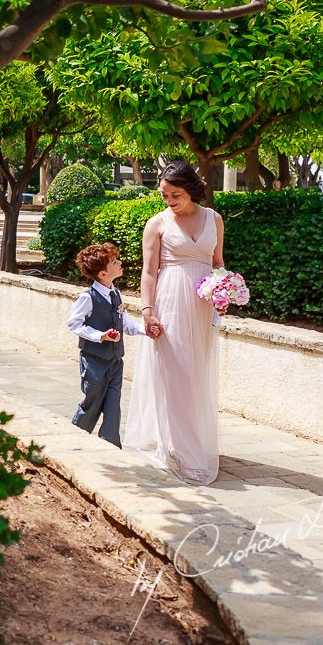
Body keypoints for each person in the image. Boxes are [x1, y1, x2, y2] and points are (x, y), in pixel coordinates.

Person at [125, 162, 223, 484]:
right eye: (164, 194)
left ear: (191, 189)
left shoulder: (214, 219)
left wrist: (226, 288)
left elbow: (218, 263)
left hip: (202, 306)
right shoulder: (157, 224)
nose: (169, 200)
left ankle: (184, 438)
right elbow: (149, 271)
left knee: (195, 374)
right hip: (169, 303)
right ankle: (182, 451)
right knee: (175, 374)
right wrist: (148, 309)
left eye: (175, 194)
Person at [67, 242, 148, 448]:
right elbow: (74, 324)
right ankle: (74, 439)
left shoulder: (116, 294)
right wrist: (99, 336)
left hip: (115, 361)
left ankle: (110, 445)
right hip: (94, 362)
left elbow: (125, 323)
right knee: (92, 403)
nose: (119, 263)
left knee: (114, 405)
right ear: (102, 273)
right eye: (114, 262)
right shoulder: (88, 297)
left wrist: (145, 330)